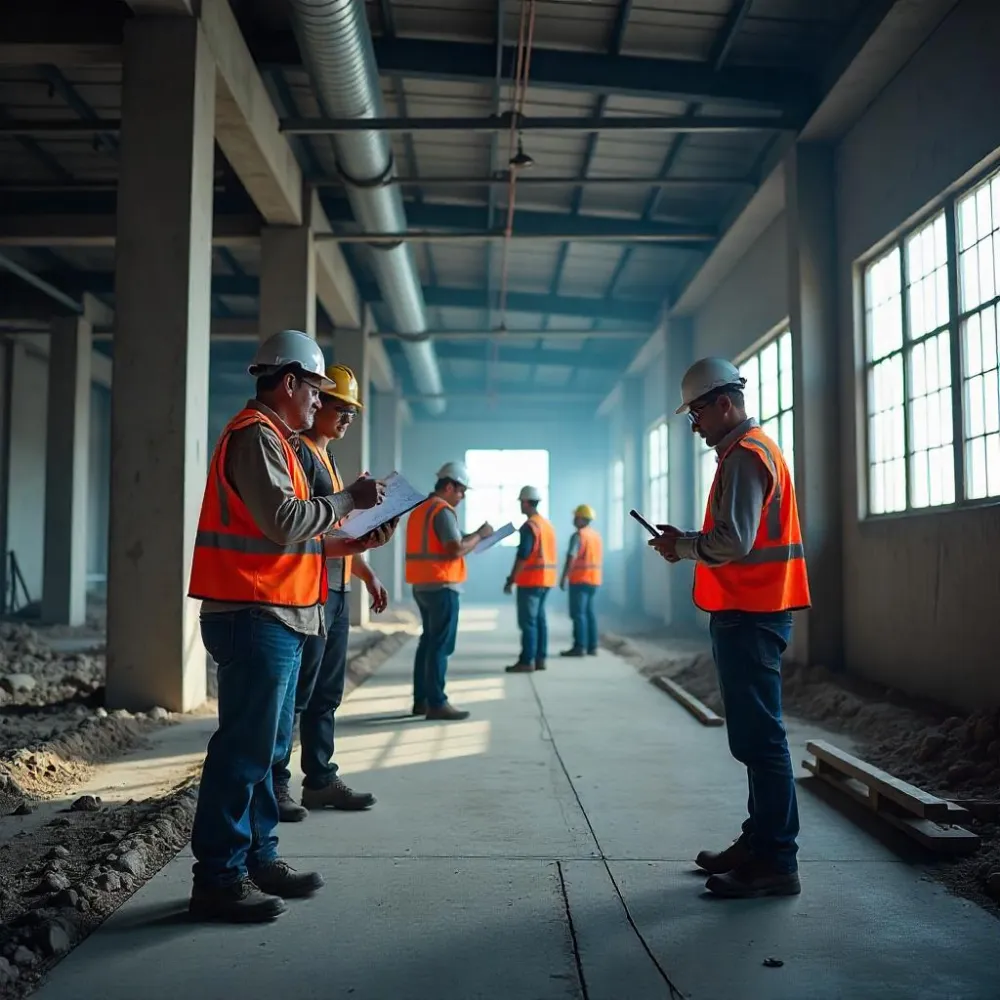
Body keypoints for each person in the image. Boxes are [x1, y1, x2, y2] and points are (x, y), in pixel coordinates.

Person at [187, 329, 396, 923]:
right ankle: (219, 878)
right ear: (288, 382)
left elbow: (294, 537)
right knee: (244, 752)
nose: (319, 401)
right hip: (255, 612)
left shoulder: (279, 440)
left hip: (276, 612)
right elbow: (283, 521)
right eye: (315, 390)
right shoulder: (256, 436)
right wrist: (349, 501)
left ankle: (258, 859)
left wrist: (353, 545)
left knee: (264, 749)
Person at [648, 357, 811, 900]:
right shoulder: (749, 451)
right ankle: (760, 842)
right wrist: (688, 539)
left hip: (751, 613)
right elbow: (738, 532)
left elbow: (735, 542)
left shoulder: (745, 456)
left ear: (724, 403)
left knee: (761, 741)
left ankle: (776, 861)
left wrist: (683, 547)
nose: (693, 424)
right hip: (753, 610)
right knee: (754, 739)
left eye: (696, 412)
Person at [274, 364, 391, 821]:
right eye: (340, 408)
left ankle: (320, 779)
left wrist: (367, 572)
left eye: (352, 412)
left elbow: (338, 531)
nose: (346, 418)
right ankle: (276, 784)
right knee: (297, 693)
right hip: (312, 589)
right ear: (318, 402)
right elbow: (304, 530)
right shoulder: (300, 455)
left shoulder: (330, 461)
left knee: (326, 694)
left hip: (337, 591)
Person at [406, 461, 493, 720]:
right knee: (440, 646)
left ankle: (421, 701)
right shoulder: (442, 511)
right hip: (441, 585)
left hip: (422, 585)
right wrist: (480, 535)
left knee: (428, 643)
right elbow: (455, 548)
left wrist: (474, 536)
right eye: (461, 490)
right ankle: (437, 703)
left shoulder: (422, 509)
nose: (462, 496)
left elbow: (450, 539)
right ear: (449, 486)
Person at [503, 486, 557, 673]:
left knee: (528, 622)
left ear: (526, 502)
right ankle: (540, 659)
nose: (520, 505)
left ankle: (527, 661)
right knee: (539, 620)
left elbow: (523, 555)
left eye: (521, 502)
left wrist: (512, 579)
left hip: (531, 580)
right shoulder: (547, 525)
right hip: (546, 580)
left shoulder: (530, 526)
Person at [558, 504, 603, 658]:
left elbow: (571, 557)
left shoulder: (578, 536)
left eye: (576, 517)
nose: (574, 519)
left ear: (582, 519)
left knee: (578, 614)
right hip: (593, 580)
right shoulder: (596, 536)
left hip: (579, 579)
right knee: (589, 613)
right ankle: (592, 647)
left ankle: (579, 646)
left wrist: (564, 576)